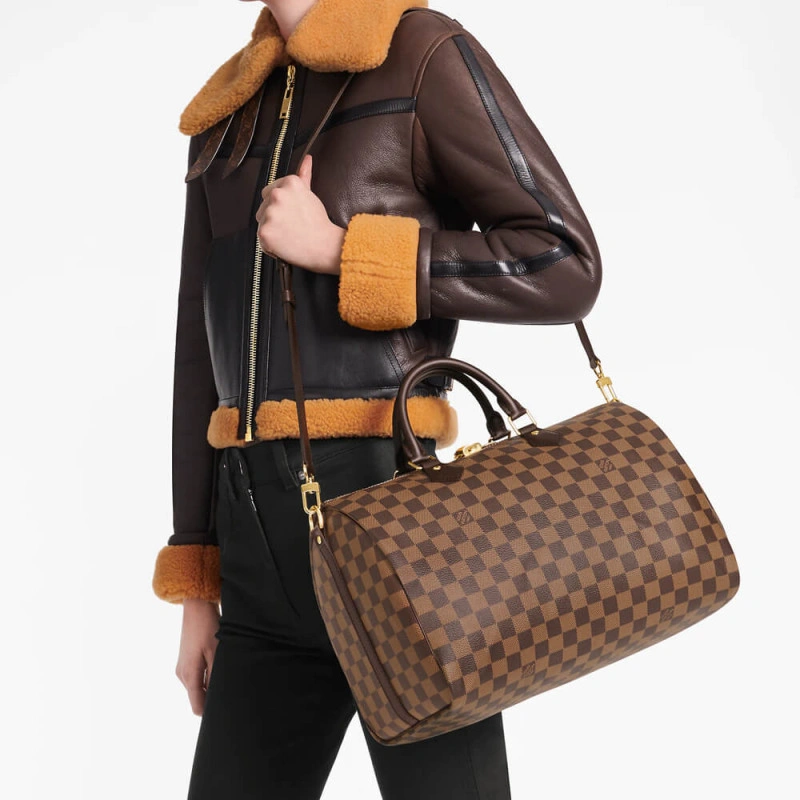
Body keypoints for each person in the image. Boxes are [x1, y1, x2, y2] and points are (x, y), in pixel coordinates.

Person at [151, 1, 602, 797]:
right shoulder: (227, 112)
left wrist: (342, 250)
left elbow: (563, 262)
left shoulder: (419, 52)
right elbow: (199, 352)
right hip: (258, 551)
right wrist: (199, 584)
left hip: (396, 524)